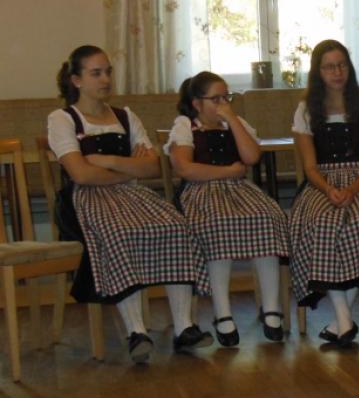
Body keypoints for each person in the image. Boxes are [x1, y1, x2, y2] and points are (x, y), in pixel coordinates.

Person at [48, 45, 213, 363]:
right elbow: (80, 174)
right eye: (96, 73)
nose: (105, 79)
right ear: (77, 80)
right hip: (84, 201)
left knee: (176, 225)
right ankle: (136, 332)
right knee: (120, 230)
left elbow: (152, 167)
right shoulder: (62, 119)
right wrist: (127, 168)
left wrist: (107, 161)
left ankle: (185, 327)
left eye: (108, 72)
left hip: (131, 196)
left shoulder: (125, 116)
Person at [166, 71, 289, 344]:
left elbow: (251, 157)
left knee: (268, 217)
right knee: (217, 223)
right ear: (197, 103)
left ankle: (271, 308)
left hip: (239, 191)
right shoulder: (186, 125)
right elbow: (185, 168)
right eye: (216, 99)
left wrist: (232, 120)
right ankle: (223, 313)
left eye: (227, 97)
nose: (223, 103)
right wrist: (227, 172)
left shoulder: (236, 122)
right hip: (201, 193)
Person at [290, 39, 359, 348]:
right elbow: (310, 167)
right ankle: (344, 317)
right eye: (329, 67)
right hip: (321, 182)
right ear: (318, 72)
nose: (337, 72)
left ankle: (341, 321)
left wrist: (350, 189)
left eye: (342, 65)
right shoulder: (306, 110)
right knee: (322, 222)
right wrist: (329, 189)